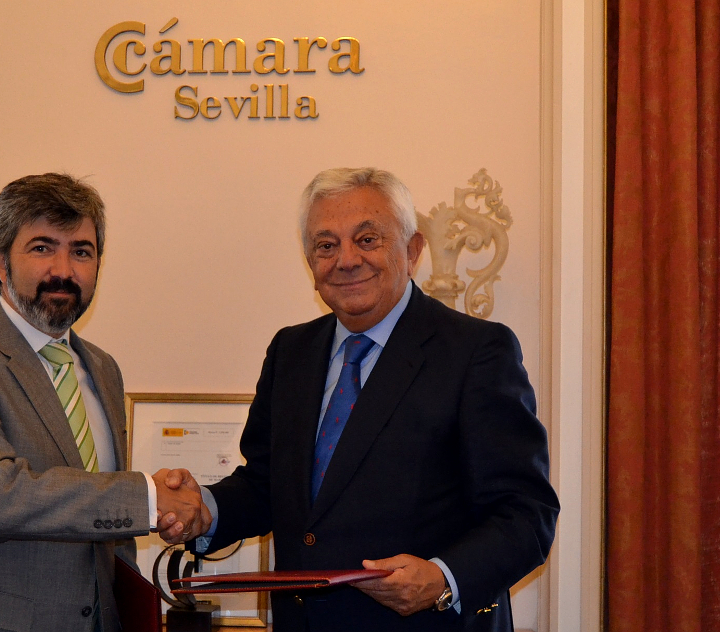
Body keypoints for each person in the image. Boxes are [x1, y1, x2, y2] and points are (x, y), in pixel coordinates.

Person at [167, 167, 559, 631]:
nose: (346, 260)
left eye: (367, 239)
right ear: (310, 261)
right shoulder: (291, 351)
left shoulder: (475, 351)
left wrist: (443, 578)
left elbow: (526, 513)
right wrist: (205, 509)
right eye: (326, 245)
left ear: (412, 251)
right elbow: (267, 486)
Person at [0, 173, 206, 632]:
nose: (63, 270)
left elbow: (105, 526)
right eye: (42, 248)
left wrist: (162, 513)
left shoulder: (102, 369)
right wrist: (148, 497)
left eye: (81, 251)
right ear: (0, 263)